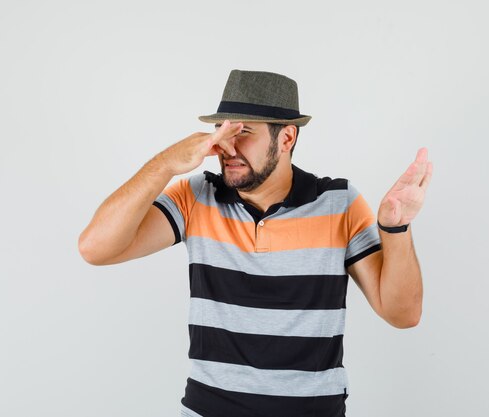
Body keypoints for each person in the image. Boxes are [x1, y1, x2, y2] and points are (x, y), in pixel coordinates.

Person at [78, 69, 433, 417]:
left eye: (243, 132)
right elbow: (95, 248)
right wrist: (165, 164)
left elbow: (403, 315)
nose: (226, 147)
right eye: (221, 131)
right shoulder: (197, 196)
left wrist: (395, 229)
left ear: (287, 138)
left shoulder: (338, 202)